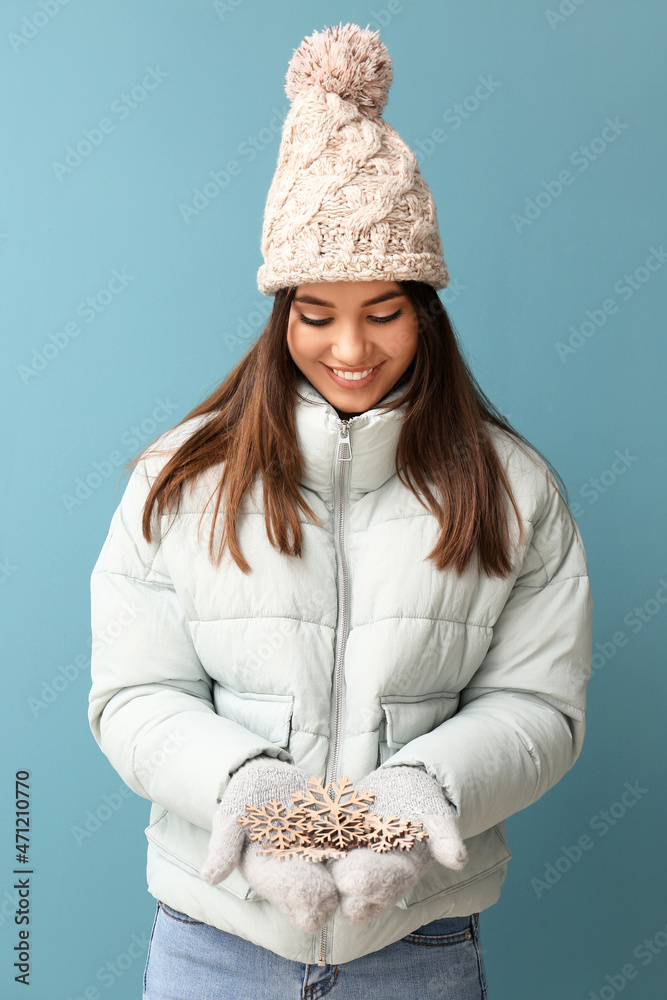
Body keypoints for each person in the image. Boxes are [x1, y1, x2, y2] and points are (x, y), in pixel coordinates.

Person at [87, 22, 593, 999]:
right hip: (213, 939)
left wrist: (422, 795)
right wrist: (250, 791)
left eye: (384, 310)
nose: (351, 347)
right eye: (316, 313)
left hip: (416, 948)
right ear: (281, 318)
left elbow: (540, 707)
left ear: (426, 310)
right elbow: (133, 694)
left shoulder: (513, 488)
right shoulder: (177, 478)